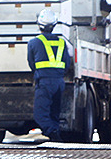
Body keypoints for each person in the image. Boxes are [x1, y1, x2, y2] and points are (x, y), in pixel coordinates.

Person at [27, 8, 75, 142]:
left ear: (39, 25)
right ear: (54, 25)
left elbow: (32, 64)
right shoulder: (62, 42)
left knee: (40, 114)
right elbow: (66, 63)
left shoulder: (33, 42)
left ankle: (52, 132)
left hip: (44, 82)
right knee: (54, 112)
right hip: (59, 82)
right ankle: (56, 136)